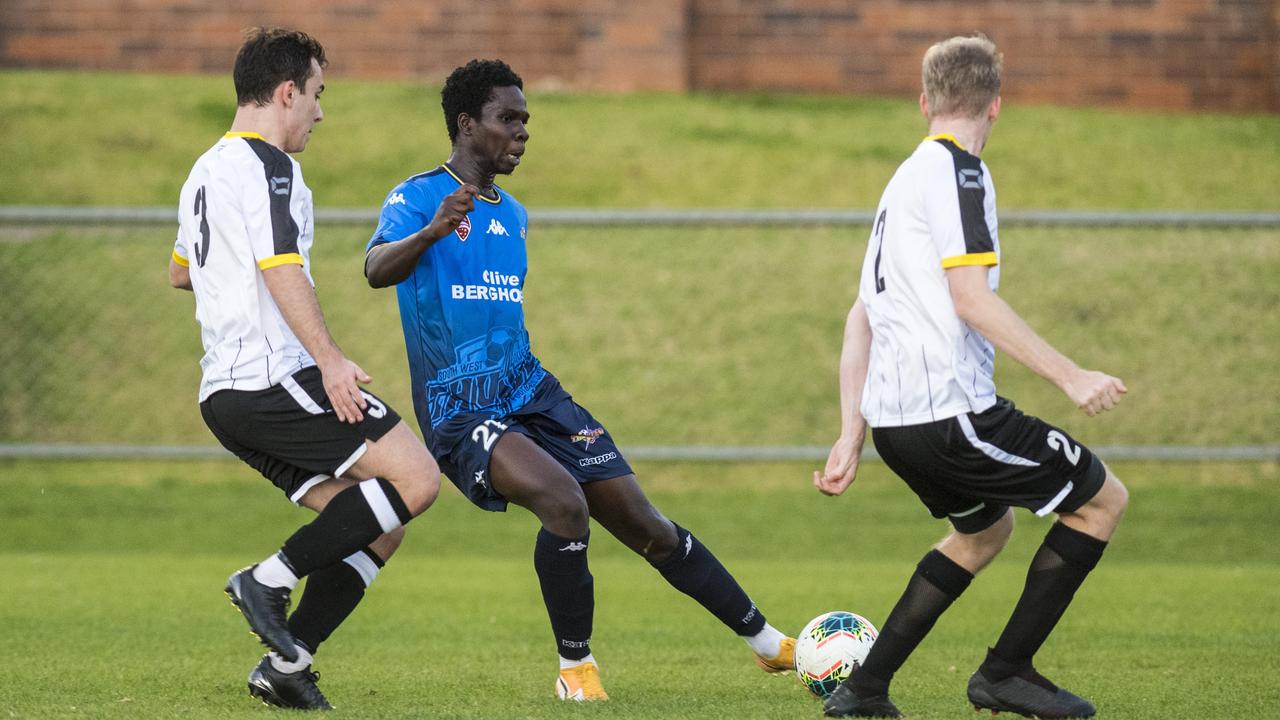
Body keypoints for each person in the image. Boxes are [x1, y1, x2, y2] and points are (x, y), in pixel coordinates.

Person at [364, 58, 795, 702]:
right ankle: (576, 671)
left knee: (646, 524)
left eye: (526, 120)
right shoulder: (417, 196)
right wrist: (431, 231)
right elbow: (374, 269)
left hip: (530, 391)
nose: (522, 132)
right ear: (466, 124)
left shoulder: (513, 214)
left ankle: (770, 646)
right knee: (563, 502)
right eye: (508, 119)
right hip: (460, 406)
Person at [814, 34, 1129, 719]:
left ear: (925, 101)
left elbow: (859, 318)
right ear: (996, 108)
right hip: (950, 414)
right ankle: (1006, 671)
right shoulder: (961, 174)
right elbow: (971, 299)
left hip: (900, 424)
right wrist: (1071, 375)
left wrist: (851, 433)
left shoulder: (900, 182)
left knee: (985, 533)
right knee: (1102, 501)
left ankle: (863, 689)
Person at [169, 27, 441, 711]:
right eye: (317, 94)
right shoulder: (270, 166)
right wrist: (330, 361)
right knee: (417, 477)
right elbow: (280, 265)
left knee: (380, 522)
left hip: (225, 397)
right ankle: (266, 578)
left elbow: (180, 272)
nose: (320, 112)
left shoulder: (204, 170)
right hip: (272, 376)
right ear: (286, 92)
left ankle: (287, 665)